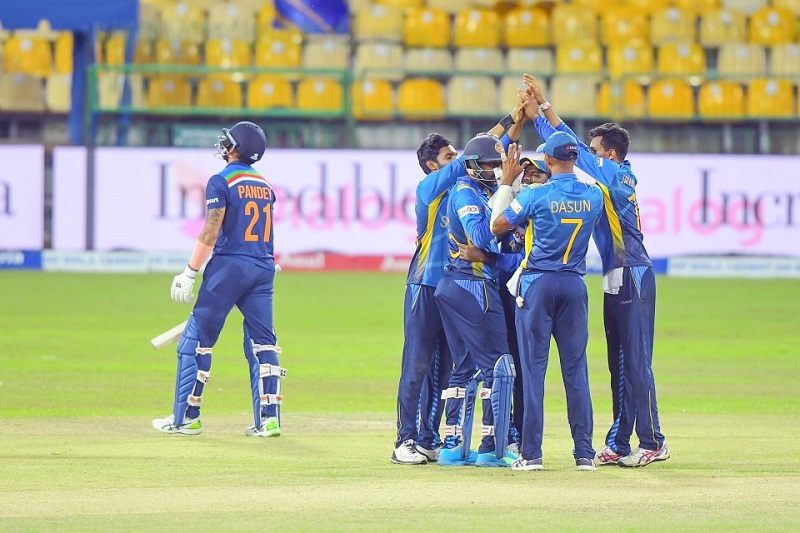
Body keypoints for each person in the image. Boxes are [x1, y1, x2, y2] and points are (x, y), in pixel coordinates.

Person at [524, 74, 669, 468]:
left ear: (610, 155)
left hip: (633, 272)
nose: (587, 156)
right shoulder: (608, 177)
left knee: (636, 361)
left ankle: (653, 441)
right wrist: (542, 112)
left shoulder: (616, 176)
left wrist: (543, 112)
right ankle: (620, 442)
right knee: (619, 363)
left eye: (595, 151)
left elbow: (569, 148)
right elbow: (570, 148)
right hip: (615, 276)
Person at [392, 108, 528, 465]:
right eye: (448, 157)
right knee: (417, 365)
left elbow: (479, 153)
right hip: (424, 282)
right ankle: (404, 440)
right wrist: (507, 122)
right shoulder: (429, 188)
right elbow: (474, 153)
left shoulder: (468, 190)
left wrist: (514, 124)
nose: (457, 161)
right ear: (432, 165)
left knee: (446, 368)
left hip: (455, 285)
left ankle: (428, 439)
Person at [152, 121, 285, 438]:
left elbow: (212, 230)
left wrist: (189, 272)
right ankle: (269, 420)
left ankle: (186, 418)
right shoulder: (265, 186)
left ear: (237, 148)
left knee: (196, 341)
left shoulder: (221, 180)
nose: (224, 145)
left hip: (228, 267)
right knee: (263, 344)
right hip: (263, 267)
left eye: (229, 141)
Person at [491, 135, 603, 471]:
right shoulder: (594, 195)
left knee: (533, 371)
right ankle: (585, 454)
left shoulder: (536, 195)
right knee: (576, 371)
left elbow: (497, 225)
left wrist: (508, 185)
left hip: (538, 284)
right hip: (574, 285)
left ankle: (531, 454)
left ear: (550, 161)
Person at [434, 132, 522, 468]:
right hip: (473, 286)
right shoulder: (466, 192)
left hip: (457, 285)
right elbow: (483, 237)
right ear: (472, 166)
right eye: (490, 164)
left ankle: (453, 446)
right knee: (499, 366)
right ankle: (492, 448)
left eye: (499, 165)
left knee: (465, 367)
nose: (497, 170)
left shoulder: (478, 192)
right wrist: (507, 185)